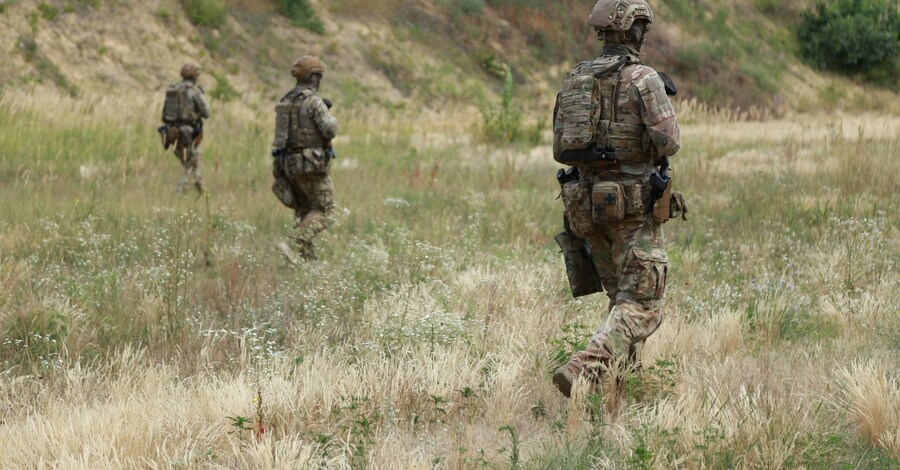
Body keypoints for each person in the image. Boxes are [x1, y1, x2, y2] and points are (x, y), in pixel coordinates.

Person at [551, 0, 682, 399]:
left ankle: (623, 393)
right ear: (632, 30)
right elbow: (669, 142)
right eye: (642, 26)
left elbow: (560, 149)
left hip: (586, 208)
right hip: (632, 207)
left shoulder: (576, 79)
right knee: (643, 304)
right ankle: (584, 367)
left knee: (620, 301)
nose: (644, 33)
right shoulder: (644, 78)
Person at [271, 56, 338, 262]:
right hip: (311, 165)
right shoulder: (313, 102)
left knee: (305, 212)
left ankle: (306, 264)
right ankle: (292, 243)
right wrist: (330, 114)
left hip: (287, 165)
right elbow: (330, 130)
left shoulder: (285, 101)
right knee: (326, 211)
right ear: (314, 76)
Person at [160, 63, 211, 194]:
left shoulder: (172, 90)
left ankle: (203, 194)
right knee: (191, 166)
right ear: (195, 76)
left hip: (172, 134)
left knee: (193, 166)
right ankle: (179, 195)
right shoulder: (194, 91)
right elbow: (206, 113)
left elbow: (165, 115)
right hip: (190, 135)